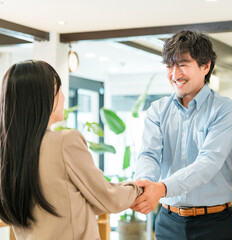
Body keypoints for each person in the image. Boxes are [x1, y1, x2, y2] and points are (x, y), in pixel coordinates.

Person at [0, 60, 142, 240]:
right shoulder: (65, 142)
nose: (63, 97)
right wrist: (138, 188)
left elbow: (70, 203)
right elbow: (108, 198)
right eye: (58, 89)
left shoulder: (7, 153)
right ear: (43, 98)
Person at [131, 30, 232, 239]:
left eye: (182, 64)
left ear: (206, 66)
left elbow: (208, 163)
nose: (174, 75)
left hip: (215, 224)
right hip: (168, 221)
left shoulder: (226, 110)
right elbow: (149, 155)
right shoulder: (157, 110)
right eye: (169, 66)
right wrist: (145, 185)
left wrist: (161, 188)